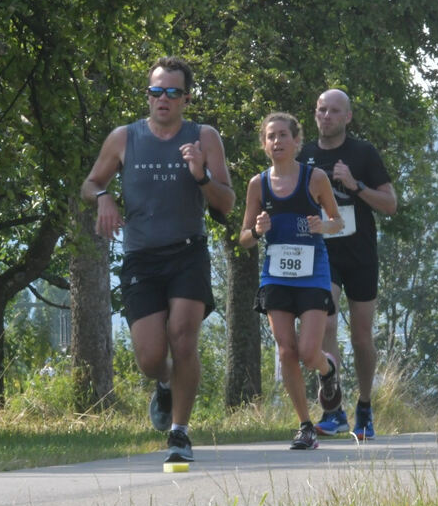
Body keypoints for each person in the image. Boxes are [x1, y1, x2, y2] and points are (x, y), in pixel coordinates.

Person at [81, 56, 234, 464]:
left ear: (185, 98)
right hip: (141, 258)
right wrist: (104, 197)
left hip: (187, 251)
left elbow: (227, 202)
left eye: (171, 92)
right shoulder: (124, 138)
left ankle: (180, 433)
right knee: (150, 358)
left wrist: (200, 174)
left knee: (184, 336)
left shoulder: (204, 136)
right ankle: (163, 383)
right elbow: (91, 182)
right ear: (147, 96)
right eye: (155, 91)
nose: (162, 99)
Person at [239, 112, 344, 450]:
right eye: (271, 136)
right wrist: (257, 230)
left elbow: (338, 222)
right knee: (286, 351)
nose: (277, 141)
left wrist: (322, 227)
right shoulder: (258, 184)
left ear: (297, 142)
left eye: (284, 135)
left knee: (308, 351)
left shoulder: (315, 179)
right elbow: (244, 238)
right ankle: (304, 425)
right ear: (264, 144)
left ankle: (327, 371)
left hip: (313, 273)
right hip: (277, 276)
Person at [301, 89, 397, 441]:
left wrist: (354, 185)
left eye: (334, 111)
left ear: (347, 117)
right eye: (321, 110)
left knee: (360, 338)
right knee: (326, 322)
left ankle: (365, 406)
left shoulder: (362, 153)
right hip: (323, 253)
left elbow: (390, 205)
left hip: (360, 254)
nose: (326, 116)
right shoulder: (305, 156)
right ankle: (333, 407)